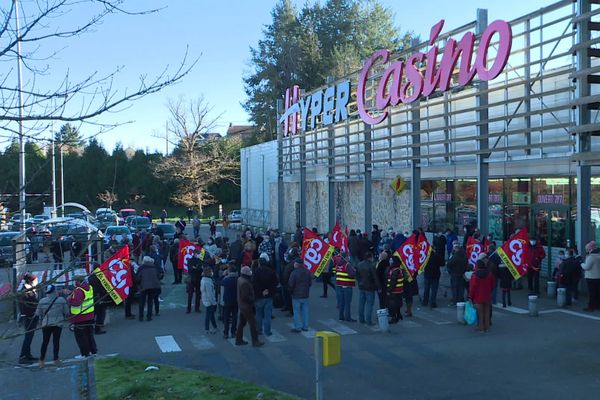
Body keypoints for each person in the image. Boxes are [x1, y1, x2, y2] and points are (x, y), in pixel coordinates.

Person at [35, 284, 68, 368]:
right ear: (54, 291)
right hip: (58, 323)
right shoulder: (61, 300)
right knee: (56, 341)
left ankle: (41, 360)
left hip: (46, 323)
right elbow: (66, 312)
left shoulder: (42, 301)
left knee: (45, 342)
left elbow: (38, 313)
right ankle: (56, 359)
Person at [68, 275, 97, 357]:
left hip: (80, 317)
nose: (73, 283)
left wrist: (69, 299)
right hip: (90, 315)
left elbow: (77, 303)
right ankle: (93, 351)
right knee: (89, 335)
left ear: (78, 281)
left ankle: (84, 354)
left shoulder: (78, 290)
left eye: (74, 281)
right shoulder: (89, 287)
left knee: (81, 337)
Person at [235, 266, 264, 347]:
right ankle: (255, 341)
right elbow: (245, 296)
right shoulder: (245, 283)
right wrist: (253, 299)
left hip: (241, 305)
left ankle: (238, 339)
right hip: (246, 306)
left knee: (241, 323)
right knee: (253, 324)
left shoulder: (240, 279)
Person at [253, 255, 278, 336]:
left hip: (258, 296)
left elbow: (254, 284)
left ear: (259, 263)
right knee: (267, 315)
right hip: (269, 296)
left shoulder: (256, 272)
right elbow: (275, 282)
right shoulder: (271, 271)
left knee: (258, 314)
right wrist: (268, 290)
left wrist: (261, 291)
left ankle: (258, 330)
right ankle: (267, 331)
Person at [469, 259, 496, 333]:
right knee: (487, 313)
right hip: (487, 295)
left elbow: (472, 288)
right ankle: (487, 327)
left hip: (478, 297)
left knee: (479, 313)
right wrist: (489, 290)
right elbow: (493, 284)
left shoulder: (474, 275)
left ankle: (481, 328)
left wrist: (470, 297)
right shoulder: (489, 274)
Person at [18, 273, 39, 364]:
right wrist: (32, 313)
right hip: (29, 317)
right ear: (30, 281)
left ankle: (27, 354)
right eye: (35, 280)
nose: (36, 282)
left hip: (32, 316)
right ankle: (23, 356)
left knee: (29, 337)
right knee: (28, 337)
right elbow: (24, 306)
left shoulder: (31, 290)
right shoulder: (25, 292)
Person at [356, 250, 381, 325]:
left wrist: (359, 282)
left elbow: (357, 275)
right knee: (369, 304)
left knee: (361, 303)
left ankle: (361, 319)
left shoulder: (359, 264)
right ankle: (368, 320)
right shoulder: (371, 266)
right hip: (370, 287)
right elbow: (375, 278)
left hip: (361, 286)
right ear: (370, 258)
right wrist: (379, 287)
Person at [288, 257, 312, 332]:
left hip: (296, 295)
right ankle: (305, 326)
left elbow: (291, 284)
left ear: (297, 264)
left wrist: (290, 292)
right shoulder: (307, 272)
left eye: (295, 263)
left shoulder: (294, 273)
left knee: (297, 312)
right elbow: (310, 283)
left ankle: (297, 327)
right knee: (305, 311)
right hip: (305, 294)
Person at [136, 256, 163, 321]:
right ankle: (149, 316)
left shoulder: (141, 268)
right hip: (153, 286)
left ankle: (141, 316)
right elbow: (158, 276)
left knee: (142, 302)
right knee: (150, 301)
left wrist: (138, 283)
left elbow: (138, 278)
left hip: (143, 286)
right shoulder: (154, 267)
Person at [335, 252, 356, 322]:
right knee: (347, 303)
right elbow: (352, 274)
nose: (349, 257)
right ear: (346, 257)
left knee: (342, 302)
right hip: (347, 285)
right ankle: (348, 317)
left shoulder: (338, 264)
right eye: (348, 256)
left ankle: (341, 316)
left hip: (340, 285)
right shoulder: (347, 265)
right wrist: (354, 270)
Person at [88, 264, 109, 334]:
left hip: (92, 297)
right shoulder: (100, 278)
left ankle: (90, 327)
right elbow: (103, 288)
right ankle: (97, 329)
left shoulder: (90, 277)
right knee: (100, 314)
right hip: (100, 297)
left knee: (93, 314)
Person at [220, 265, 238, 339]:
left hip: (227, 300)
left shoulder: (226, 280)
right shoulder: (238, 279)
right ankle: (233, 332)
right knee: (234, 317)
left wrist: (223, 275)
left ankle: (226, 333)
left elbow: (219, 282)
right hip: (236, 300)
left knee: (226, 317)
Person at [447, 241, 467, 305]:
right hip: (461, 273)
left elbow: (449, 263)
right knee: (461, 287)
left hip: (455, 273)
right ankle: (460, 299)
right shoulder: (464, 255)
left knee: (455, 287)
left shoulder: (455, 256)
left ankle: (455, 300)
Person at [582, 241, 600, 311]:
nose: (586, 251)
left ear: (590, 249)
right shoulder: (598, 255)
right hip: (598, 277)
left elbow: (586, 267)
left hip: (591, 277)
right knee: (597, 292)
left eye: (587, 249)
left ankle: (591, 307)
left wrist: (581, 264)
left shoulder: (591, 257)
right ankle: (597, 305)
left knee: (592, 293)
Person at [385, 256, 404, 323]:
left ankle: (394, 318)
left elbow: (393, 281)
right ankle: (398, 315)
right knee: (397, 304)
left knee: (392, 305)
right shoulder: (399, 269)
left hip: (394, 290)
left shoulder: (394, 270)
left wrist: (389, 290)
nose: (390, 261)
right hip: (399, 290)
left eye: (391, 260)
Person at [201, 267, 218, 334]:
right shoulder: (207, 282)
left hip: (206, 299)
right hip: (209, 301)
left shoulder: (204, 280)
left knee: (211, 315)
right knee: (209, 315)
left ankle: (214, 327)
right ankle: (207, 328)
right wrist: (214, 302)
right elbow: (210, 293)